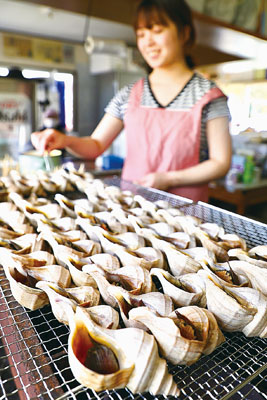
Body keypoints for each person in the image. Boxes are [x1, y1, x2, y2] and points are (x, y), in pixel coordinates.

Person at [31, 0, 232, 202]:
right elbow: (96, 144)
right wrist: (64, 140)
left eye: (157, 30)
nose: (148, 42)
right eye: (141, 34)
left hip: (189, 215)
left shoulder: (209, 96)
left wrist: (168, 178)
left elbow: (220, 162)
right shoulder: (129, 94)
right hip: (134, 212)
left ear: (184, 33)